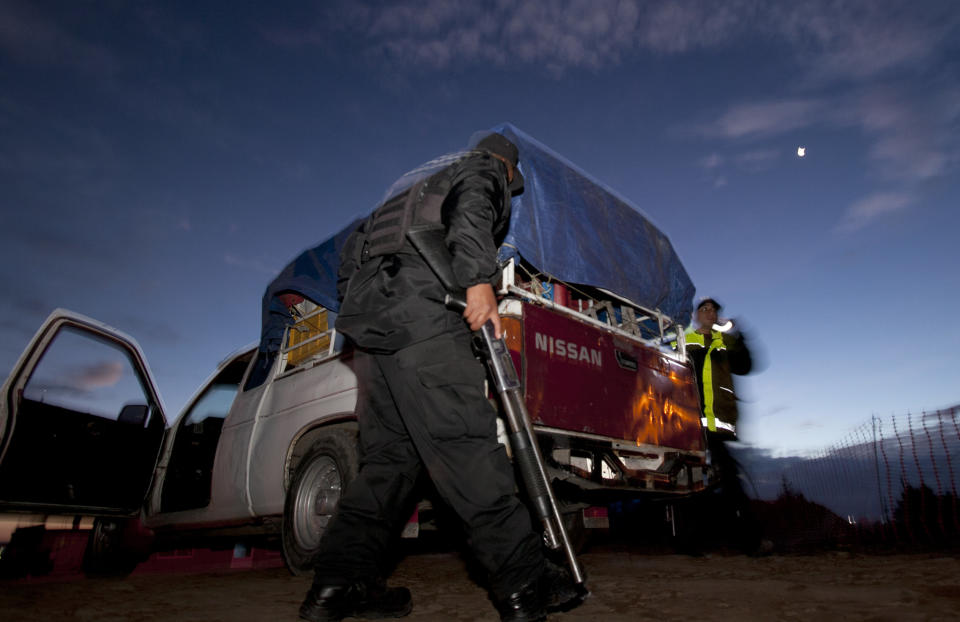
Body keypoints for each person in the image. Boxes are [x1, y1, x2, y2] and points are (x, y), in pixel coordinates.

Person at [298, 132, 577, 622]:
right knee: (468, 451)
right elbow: (472, 209)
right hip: (427, 326)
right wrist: (477, 281)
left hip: (375, 338)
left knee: (385, 468)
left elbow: (348, 260)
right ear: (508, 169)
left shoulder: (406, 196)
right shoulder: (483, 168)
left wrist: (369, 309)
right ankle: (524, 582)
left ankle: (338, 585)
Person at [681, 297, 758, 553]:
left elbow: (746, 367)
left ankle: (748, 542)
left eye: (714, 310)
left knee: (728, 483)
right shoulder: (685, 340)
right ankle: (693, 543)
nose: (710, 312)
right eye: (705, 309)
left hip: (720, 425)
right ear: (695, 315)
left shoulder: (726, 342)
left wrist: (741, 336)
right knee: (695, 484)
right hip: (690, 424)